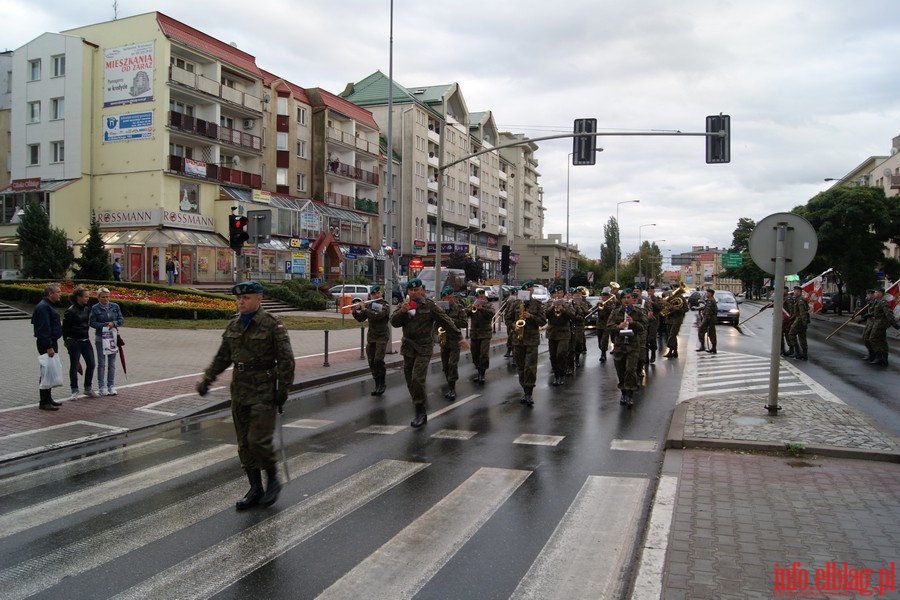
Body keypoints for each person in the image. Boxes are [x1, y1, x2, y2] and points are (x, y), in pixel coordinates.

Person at [196, 281, 295, 510]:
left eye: (246, 298)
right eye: (239, 298)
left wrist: (283, 389)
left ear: (259, 299)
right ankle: (254, 487)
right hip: (240, 390)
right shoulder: (233, 325)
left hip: (264, 390)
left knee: (257, 440)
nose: (241, 301)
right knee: (244, 444)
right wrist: (207, 380)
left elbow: (286, 360)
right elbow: (222, 357)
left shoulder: (272, 325)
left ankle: (273, 480)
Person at [390, 278, 463, 427]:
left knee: (417, 379)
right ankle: (419, 402)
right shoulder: (404, 305)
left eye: (416, 290)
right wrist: (402, 312)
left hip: (424, 347)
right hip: (408, 347)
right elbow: (394, 322)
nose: (414, 292)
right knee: (410, 381)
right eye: (411, 290)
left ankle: (420, 411)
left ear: (422, 291)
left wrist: (458, 336)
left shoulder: (429, 305)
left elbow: (445, 320)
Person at [608, 288, 648, 407]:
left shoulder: (638, 311)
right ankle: (623, 392)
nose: (626, 300)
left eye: (628, 298)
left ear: (632, 299)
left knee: (630, 370)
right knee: (620, 371)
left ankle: (630, 394)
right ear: (621, 300)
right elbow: (609, 325)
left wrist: (633, 322)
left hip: (633, 346)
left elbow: (643, 326)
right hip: (619, 345)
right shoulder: (616, 312)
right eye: (624, 298)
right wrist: (618, 326)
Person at [510, 281, 547, 405]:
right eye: (526, 290)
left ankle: (529, 393)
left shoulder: (537, 304)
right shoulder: (515, 303)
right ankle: (524, 389)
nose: (529, 292)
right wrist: (513, 325)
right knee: (521, 367)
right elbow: (508, 318)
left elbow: (542, 321)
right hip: (518, 340)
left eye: (530, 290)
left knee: (530, 368)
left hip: (532, 340)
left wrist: (530, 316)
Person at [351, 285, 391, 396]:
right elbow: (361, 318)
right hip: (372, 337)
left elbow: (378, 316)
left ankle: (382, 383)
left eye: (377, 293)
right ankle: (377, 383)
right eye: (373, 294)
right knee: (372, 361)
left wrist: (365, 309)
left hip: (382, 336)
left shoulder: (385, 305)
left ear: (381, 293)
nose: (376, 295)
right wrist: (355, 311)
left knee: (378, 359)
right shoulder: (370, 304)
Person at [32, 282, 63, 411]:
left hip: (50, 341)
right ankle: (44, 401)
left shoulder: (48, 305)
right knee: (46, 371)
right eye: (58, 292)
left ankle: (48, 398)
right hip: (47, 343)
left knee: (50, 370)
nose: (60, 294)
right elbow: (44, 329)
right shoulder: (44, 307)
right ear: (51, 294)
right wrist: (49, 346)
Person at [63, 287, 99, 400]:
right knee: (74, 366)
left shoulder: (87, 309)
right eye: (86, 296)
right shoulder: (70, 311)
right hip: (74, 341)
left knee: (92, 364)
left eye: (88, 296)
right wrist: (67, 341)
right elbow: (65, 328)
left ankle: (88, 388)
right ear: (79, 297)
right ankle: (74, 390)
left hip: (85, 340)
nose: (88, 298)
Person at [90, 287, 125, 396]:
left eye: (107, 297)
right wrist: (105, 325)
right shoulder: (95, 308)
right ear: (98, 297)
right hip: (101, 338)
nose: (105, 299)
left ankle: (111, 385)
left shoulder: (114, 306)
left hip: (112, 338)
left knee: (112, 363)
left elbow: (121, 319)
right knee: (101, 363)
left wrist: (113, 323)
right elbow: (92, 323)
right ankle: (102, 386)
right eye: (103, 297)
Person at [437, 286, 468, 399]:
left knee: (452, 364)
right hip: (444, 340)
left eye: (452, 297)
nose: (450, 299)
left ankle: (452, 388)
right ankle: (449, 384)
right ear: (443, 298)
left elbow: (464, 323)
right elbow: (434, 323)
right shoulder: (439, 308)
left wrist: (449, 320)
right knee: (445, 366)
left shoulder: (459, 308)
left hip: (455, 340)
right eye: (448, 297)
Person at [546, 285, 574, 386]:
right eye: (556, 293)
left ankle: (561, 374)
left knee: (561, 354)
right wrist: (552, 307)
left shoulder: (567, 304)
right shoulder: (549, 303)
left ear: (563, 294)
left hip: (564, 333)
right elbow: (544, 315)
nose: (558, 295)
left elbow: (572, 316)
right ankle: (556, 374)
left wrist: (562, 309)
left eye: (560, 293)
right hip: (552, 332)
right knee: (553, 355)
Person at [468, 287, 495, 384]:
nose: (481, 298)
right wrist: (472, 306)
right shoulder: (473, 305)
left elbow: (492, 313)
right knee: (475, 354)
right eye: (479, 297)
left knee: (483, 354)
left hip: (485, 333)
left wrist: (482, 309)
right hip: (474, 333)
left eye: (483, 296)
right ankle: (478, 370)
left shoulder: (488, 305)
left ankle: (482, 373)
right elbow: (465, 314)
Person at [867, 287, 898, 366]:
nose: (875, 293)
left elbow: (888, 313)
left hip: (880, 323)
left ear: (880, 293)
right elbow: (876, 312)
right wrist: (868, 315)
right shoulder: (878, 301)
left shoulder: (883, 302)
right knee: (882, 340)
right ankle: (884, 358)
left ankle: (879, 357)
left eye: (877, 292)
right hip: (878, 321)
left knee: (873, 338)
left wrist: (894, 324)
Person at [663, 285, 689, 359]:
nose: (674, 290)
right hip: (669, 318)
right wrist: (665, 303)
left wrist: (678, 310)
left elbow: (686, 309)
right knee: (671, 335)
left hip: (677, 319)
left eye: (675, 289)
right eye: (673, 289)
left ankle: (670, 350)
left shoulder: (682, 298)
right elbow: (664, 306)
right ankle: (674, 351)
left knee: (672, 335)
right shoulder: (669, 297)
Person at [568, 287, 590, 371]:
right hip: (570, 325)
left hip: (579, 325)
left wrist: (579, 305)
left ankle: (577, 358)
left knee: (578, 343)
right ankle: (570, 362)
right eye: (575, 294)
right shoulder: (569, 303)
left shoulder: (584, 303)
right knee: (570, 345)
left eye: (579, 294)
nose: (577, 296)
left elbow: (587, 312)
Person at [787, 285, 809, 360]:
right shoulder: (798, 299)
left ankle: (798, 352)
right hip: (800, 319)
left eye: (795, 291)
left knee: (791, 333)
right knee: (801, 336)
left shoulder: (800, 300)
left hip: (800, 319)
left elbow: (802, 312)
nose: (794, 292)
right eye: (794, 290)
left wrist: (804, 322)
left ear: (799, 292)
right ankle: (804, 354)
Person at [596, 289, 616, 362]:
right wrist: (598, 305)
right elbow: (594, 311)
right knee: (599, 340)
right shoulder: (599, 303)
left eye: (605, 297)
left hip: (607, 324)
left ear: (608, 297)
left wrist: (605, 305)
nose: (603, 298)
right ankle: (602, 350)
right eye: (602, 296)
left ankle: (603, 354)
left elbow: (612, 311)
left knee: (604, 340)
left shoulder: (611, 303)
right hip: (599, 324)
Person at [697, 288, 718, 354]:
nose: (706, 294)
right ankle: (713, 347)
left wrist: (705, 321)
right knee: (711, 333)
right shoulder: (710, 300)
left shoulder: (710, 300)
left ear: (710, 294)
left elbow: (708, 311)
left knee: (702, 331)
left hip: (709, 319)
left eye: (707, 293)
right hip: (710, 319)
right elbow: (705, 307)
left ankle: (703, 346)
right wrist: (697, 308)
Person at [860, 289, 876, 361]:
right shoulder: (870, 302)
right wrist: (864, 318)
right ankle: (870, 353)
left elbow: (877, 312)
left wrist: (869, 315)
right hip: (869, 322)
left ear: (872, 294)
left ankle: (875, 355)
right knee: (865, 337)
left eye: (868, 294)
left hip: (875, 323)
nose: (867, 296)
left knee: (872, 339)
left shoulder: (876, 302)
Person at [502, 287, 518, 359]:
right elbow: (503, 307)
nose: (511, 294)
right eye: (511, 293)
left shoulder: (519, 300)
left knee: (513, 337)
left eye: (513, 293)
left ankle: (514, 354)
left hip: (516, 320)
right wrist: (500, 312)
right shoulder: (508, 300)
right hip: (509, 320)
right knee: (510, 336)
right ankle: (509, 350)